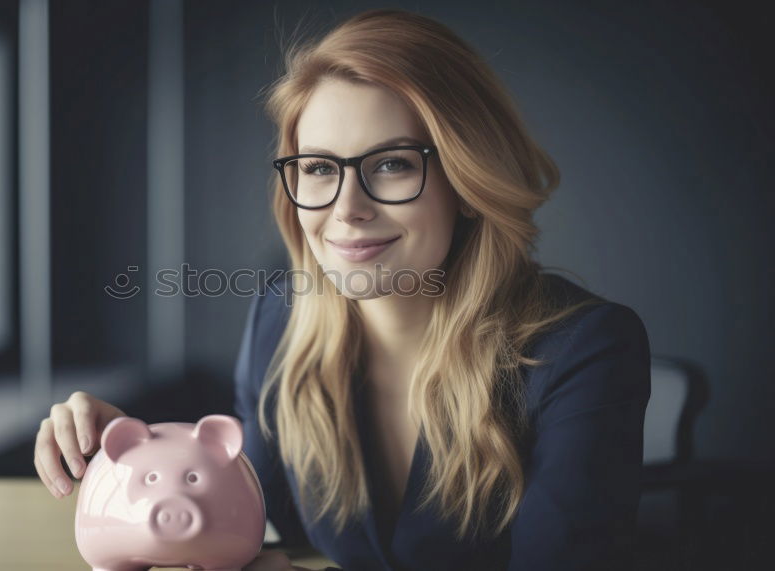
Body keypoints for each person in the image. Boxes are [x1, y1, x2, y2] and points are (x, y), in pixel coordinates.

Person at [34, 8, 651, 571]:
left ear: (465, 181)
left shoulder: (585, 348)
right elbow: (249, 517)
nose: (346, 209)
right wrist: (145, 460)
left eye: (391, 164)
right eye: (320, 168)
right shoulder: (281, 319)